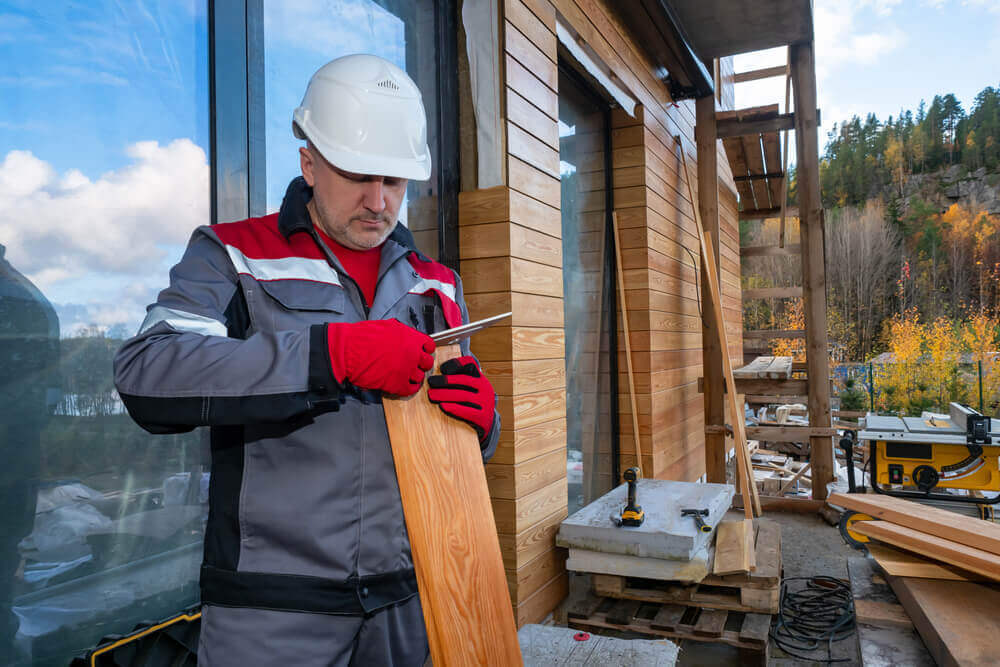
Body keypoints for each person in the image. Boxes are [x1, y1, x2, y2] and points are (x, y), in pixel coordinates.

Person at [113, 54, 500, 666]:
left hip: (411, 600)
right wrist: (328, 354)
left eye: (395, 181)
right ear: (310, 163)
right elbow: (147, 373)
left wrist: (482, 426)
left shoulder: (438, 283)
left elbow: (457, 423)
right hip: (273, 612)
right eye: (358, 175)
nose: (379, 201)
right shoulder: (232, 256)